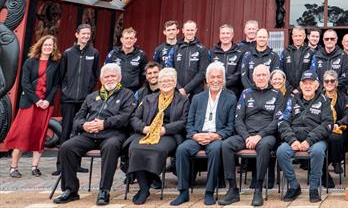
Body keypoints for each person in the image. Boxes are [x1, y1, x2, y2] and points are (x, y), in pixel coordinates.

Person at [53, 63, 137, 206]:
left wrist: (104, 123)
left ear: (120, 77)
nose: (110, 79)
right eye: (106, 76)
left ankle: (104, 190)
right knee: (66, 147)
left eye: (113, 76)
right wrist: (84, 125)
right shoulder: (92, 96)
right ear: (101, 79)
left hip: (113, 134)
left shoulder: (127, 95)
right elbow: (77, 118)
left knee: (111, 147)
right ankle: (70, 190)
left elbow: (126, 117)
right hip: (89, 134)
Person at [172, 62, 237, 206]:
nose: (215, 80)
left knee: (215, 150)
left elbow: (231, 126)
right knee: (182, 149)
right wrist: (195, 135)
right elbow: (189, 123)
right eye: (212, 77)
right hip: (197, 136)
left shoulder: (230, 98)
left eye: (219, 77)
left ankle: (209, 192)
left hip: (216, 137)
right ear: (206, 80)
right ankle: (183, 192)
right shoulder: (197, 98)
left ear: (223, 79)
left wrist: (216, 136)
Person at [219, 64, 285, 206]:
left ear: (268, 77)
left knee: (264, 145)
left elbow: (277, 121)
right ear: (253, 77)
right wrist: (246, 136)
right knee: (226, 145)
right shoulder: (246, 93)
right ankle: (232, 189)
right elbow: (238, 119)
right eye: (258, 75)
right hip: (246, 135)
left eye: (264, 75)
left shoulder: (277, 94)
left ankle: (258, 189)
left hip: (266, 135)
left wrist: (259, 136)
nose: (261, 78)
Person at [127, 67, 189, 205]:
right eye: (162, 80)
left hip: (169, 134)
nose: (165, 83)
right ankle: (144, 188)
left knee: (158, 149)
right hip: (147, 132)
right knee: (134, 148)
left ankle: (150, 180)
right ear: (158, 83)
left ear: (175, 83)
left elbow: (184, 121)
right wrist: (144, 128)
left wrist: (165, 129)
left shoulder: (183, 100)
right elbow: (134, 117)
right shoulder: (149, 98)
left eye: (169, 80)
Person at [6, 34, 62, 179]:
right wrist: (37, 100)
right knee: (22, 133)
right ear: (41, 45)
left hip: (45, 105)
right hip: (30, 103)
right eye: (46, 44)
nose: (48, 47)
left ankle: (35, 167)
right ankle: (14, 167)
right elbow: (25, 83)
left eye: (51, 45)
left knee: (40, 134)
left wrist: (47, 101)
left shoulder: (55, 64)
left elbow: (56, 84)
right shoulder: (30, 62)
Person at [276, 71, 332, 203]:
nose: (308, 86)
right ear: (300, 85)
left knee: (318, 152)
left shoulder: (324, 100)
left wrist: (309, 140)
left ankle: (313, 188)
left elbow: (327, 124)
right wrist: (292, 140)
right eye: (305, 83)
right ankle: (294, 186)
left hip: (315, 140)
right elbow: (283, 122)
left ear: (317, 85)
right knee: (281, 151)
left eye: (311, 83)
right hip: (294, 138)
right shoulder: (292, 100)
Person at [55, 24, 99, 176]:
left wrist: (89, 91)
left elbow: (95, 75)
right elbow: (62, 75)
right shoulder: (68, 53)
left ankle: (77, 164)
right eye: (83, 34)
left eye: (88, 34)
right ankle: (60, 165)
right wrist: (66, 90)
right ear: (77, 35)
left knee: (80, 131)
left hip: (85, 100)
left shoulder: (94, 53)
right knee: (66, 131)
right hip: (68, 99)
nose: (86, 36)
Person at [168, 20, 210, 97]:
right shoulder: (175, 48)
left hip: (196, 93)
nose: (190, 32)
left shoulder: (202, 49)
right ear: (183, 31)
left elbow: (203, 72)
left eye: (192, 30)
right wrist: (179, 88)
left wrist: (186, 89)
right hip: (177, 91)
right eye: (187, 30)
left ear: (196, 30)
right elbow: (170, 70)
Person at [321, 69, 348, 185]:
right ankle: (323, 169)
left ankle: (331, 163)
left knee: (335, 138)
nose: (329, 83)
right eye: (326, 81)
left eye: (332, 81)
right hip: (322, 128)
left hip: (338, 128)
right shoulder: (318, 97)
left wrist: (338, 123)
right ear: (323, 83)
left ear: (336, 83)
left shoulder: (343, 97)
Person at [106, 27, 148, 92]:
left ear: (135, 40)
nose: (129, 40)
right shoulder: (113, 53)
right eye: (126, 38)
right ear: (122, 40)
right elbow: (106, 71)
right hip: (115, 90)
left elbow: (144, 74)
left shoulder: (141, 55)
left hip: (133, 91)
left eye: (131, 38)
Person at [210, 23, 244, 96]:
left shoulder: (239, 52)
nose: (225, 36)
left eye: (228, 33)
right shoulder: (212, 52)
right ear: (219, 35)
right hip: (215, 91)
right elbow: (208, 72)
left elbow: (239, 73)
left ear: (232, 35)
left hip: (233, 92)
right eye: (223, 33)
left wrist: (223, 83)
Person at [280, 27, 317, 93]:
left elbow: (312, 72)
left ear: (304, 36)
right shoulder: (285, 52)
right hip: (288, 91)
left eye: (300, 36)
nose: (298, 38)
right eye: (295, 36)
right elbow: (281, 72)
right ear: (292, 37)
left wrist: (300, 88)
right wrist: (290, 88)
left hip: (305, 91)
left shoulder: (311, 52)